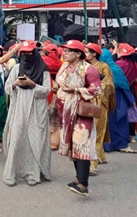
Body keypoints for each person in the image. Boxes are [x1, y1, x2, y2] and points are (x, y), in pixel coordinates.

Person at [55, 40, 101, 197]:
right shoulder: (66, 67)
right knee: (72, 145)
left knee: (81, 144)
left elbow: (96, 90)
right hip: (66, 111)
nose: (65, 53)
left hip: (81, 111)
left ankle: (83, 184)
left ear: (79, 54)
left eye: (69, 50)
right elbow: (59, 82)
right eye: (65, 50)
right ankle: (78, 178)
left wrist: (76, 89)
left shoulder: (90, 70)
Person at [2, 41, 51, 186]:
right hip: (19, 108)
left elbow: (47, 90)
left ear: (34, 53)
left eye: (29, 52)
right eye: (23, 53)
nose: (26, 55)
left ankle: (33, 173)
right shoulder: (16, 68)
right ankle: (12, 173)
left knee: (34, 141)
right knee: (16, 138)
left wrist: (32, 84)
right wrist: (16, 83)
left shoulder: (44, 70)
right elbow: (7, 87)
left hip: (36, 108)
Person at [102, 44, 137, 154]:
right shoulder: (131, 64)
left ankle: (108, 145)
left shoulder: (116, 66)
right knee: (119, 121)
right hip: (122, 95)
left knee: (109, 121)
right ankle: (120, 143)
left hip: (113, 96)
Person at [85, 43, 115, 176]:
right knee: (88, 132)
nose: (84, 54)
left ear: (94, 54)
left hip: (99, 103)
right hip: (85, 103)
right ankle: (101, 155)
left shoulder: (104, 66)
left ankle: (93, 164)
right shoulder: (83, 66)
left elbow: (108, 84)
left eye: (86, 52)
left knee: (97, 131)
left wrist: (94, 89)